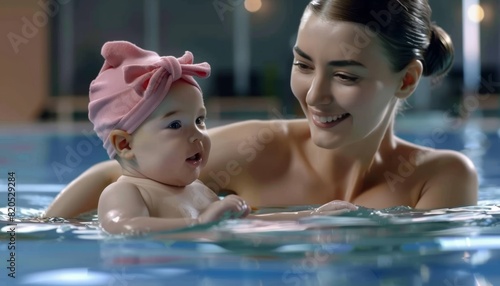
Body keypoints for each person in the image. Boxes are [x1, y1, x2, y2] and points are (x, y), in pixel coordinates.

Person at [44, 0, 478, 220]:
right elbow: (117, 176)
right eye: (303, 65)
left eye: (346, 76)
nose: (314, 95)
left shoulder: (439, 178)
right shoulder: (257, 148)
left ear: (406, 80)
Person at [72, 41, 356, 234]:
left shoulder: (199, 191)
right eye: (174, 125)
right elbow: (125, 228)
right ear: (125, 144)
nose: (196, 134)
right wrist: (200, 224)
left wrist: (313, 216)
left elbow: (250, 222)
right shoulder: (125, 193)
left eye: (199, 120)